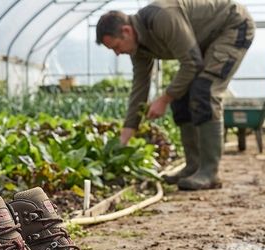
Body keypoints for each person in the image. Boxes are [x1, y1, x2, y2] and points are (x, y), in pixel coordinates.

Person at [97, 0, 255, 190]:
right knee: (180, 97)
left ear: (126, 31)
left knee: (205, 90)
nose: (117, 53)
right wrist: (127, 132)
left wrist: (164, 99)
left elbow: (192, 63)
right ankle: (193, 166)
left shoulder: (162, 17)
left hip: (232, 26)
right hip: (204, 40)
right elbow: (140, 87)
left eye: (116, 46)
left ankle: (209, 172)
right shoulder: (138, 49)